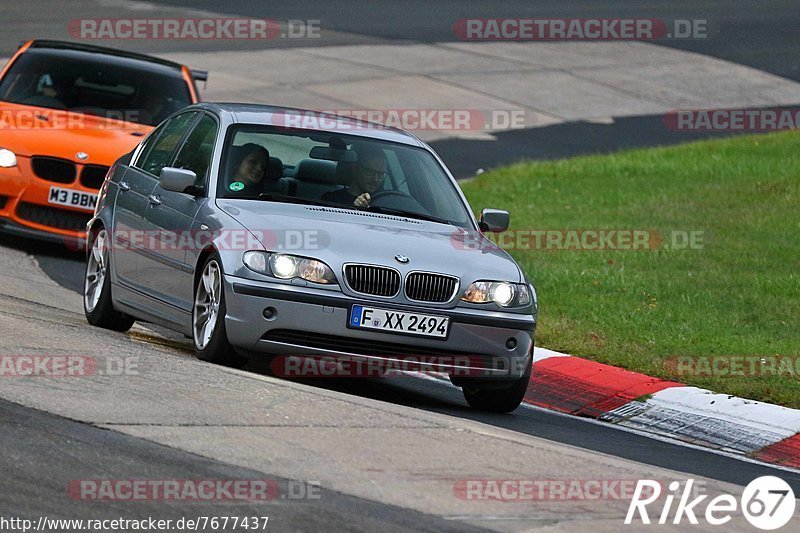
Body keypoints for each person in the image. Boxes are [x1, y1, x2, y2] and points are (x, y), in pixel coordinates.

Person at [322, 146, 387, 207]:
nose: (375, 179)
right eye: (369, 172)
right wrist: (354, 207)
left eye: (381, 174)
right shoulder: (331, 199)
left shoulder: (385, 202)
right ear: (355, 169)